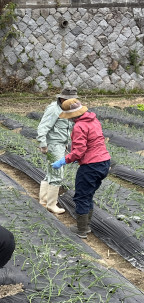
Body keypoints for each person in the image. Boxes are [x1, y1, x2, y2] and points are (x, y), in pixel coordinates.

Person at [51, 99, 111, 238]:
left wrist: (63, 161)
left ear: (72, 116)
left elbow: (79, 151)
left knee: (81, 196)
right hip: (104, 162)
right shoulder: (94, 120)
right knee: (88, 194)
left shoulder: (79, 126)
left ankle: (82, 230)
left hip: (91, 165)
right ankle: (86, 226)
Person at [37, 86, 77, 214]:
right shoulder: (54, 109)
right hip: (54, 145)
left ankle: (43, 200)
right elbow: (43, 127)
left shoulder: (65, 108)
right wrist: (43, 144)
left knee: (51, 172)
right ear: (62, 98)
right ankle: (51, 204)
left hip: (61, 145)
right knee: (57, 173)